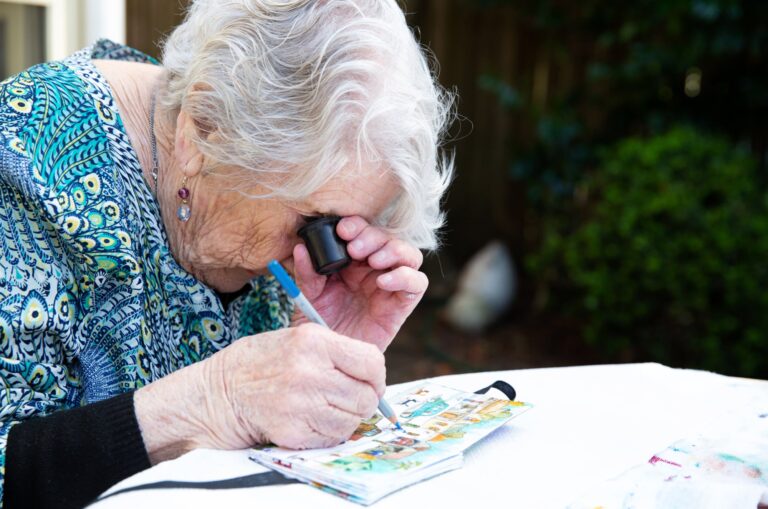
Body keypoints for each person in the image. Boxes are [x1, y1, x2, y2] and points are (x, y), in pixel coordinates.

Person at [0, 0, 454, 507]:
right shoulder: (23, 169)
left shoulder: (237, 173)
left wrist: (328, 348)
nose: (327, 258)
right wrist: (215, 400)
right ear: (200, 131)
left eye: (344, 235)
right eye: (314, 224)